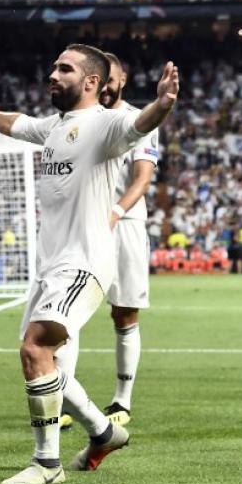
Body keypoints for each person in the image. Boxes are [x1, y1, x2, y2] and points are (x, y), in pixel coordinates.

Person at [0, 44, 179, 484]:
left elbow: (139, 123)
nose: (52, 74)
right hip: (50, 266)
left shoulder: (104, 124)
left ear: (92, 82)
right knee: (46, 363)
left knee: (36, 350)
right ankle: (103, 432)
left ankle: (47, 464)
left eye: (65, 69)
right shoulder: (54, 127)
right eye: (53, 66)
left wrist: (163, 104)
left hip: (84, 263)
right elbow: (11, 122)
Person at [59, 53, 160, 431]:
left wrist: (116, 211)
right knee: (67, 314)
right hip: (84, 225)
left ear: (121, 80)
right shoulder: (80, 120)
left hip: (126, 223)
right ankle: (62, 395)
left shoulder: (139, 119)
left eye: (112, 80)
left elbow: (142, 178)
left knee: (124, 312)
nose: (106, 87)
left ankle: (122, 399)